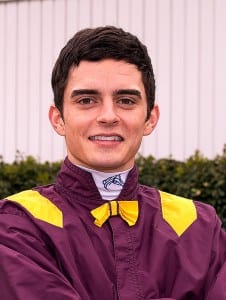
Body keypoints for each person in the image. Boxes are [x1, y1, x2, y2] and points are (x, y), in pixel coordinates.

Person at [0, 26, 225, 300]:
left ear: (150, 119)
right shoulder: (17, 225)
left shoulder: (199, 227)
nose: (108, 116)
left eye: (126, 100)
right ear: (58, 118)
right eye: (86, 100)